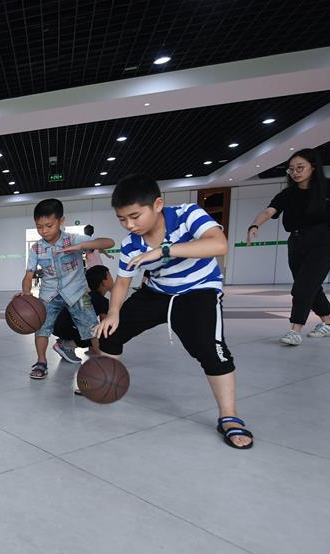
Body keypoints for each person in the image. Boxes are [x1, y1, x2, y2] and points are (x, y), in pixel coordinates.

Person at [95, 174, 253, 450]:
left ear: (157, 204)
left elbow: (219, 244)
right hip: (158, 292)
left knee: (210, 350)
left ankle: (229, 415)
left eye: (135, 216)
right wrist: (113, 313)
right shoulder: (131, 243)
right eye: (122, 219)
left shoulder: (187, 214)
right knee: (110, 333)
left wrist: (165, 250)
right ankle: (108, 382)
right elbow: (122, 281)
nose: (130, 225)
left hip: (199, 290)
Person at [246, 148, 330, 346]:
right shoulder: (288, 194)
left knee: (303, 287)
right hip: (296, 242)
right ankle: (328, 322)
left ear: (313, 167)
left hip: (323, 240)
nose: (295, 172)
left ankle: (295, 329)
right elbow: (269, 211)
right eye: (291, 169)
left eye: (300, 167)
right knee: (311, 286)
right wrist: (255, 224)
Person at [22, 199, 114, 378]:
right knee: (41, 328)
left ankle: (100, 364)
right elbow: (28, 276)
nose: (44, 231)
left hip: (77, 293)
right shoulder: (36, 248)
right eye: (39, 227)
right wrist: (26, 294)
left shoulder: (73, 239)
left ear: (61, 220)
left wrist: (83, 246)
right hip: (48, 295)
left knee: (92, 328)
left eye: (49, 225)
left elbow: (108, 242)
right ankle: (41, 362)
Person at [52, 265, 113, 362]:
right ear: (103, 283)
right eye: (110, 277)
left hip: (58, 325)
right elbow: (103, 328)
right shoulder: (102, 301)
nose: (112, 279)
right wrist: (104, 356)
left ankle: (65, 340)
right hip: (66, 328)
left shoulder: (87, 296)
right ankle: (67, 345)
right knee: (100, 332)